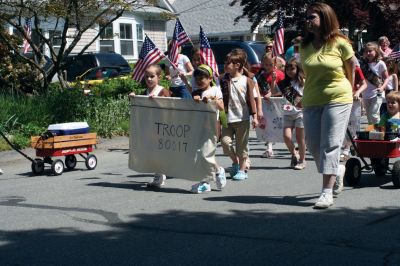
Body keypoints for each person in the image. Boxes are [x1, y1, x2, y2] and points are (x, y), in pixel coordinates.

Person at [300, 2, 358, 209]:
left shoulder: (340, 42)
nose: (308, 21)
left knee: (331, 144)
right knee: (315, 146)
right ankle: (337, 170)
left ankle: (326, 192)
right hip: (312, 99)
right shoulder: (304, 46)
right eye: (306, 17)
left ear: (324, 18)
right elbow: (307, 74)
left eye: (312, 17)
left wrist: (350, 91)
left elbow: (352, 68)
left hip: (338, 98)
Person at [129, 64, 171, 187]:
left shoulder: (162, 91)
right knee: (151, 152)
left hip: (162, 127)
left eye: (152, 76)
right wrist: (133, 98)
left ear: (159, 77)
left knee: (159, 152)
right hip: (149, 127)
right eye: (147, 77)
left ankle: (161, 175)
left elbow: (170, 107)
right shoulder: (144, 92)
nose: (149, 79)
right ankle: (158, 175)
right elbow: (139, 108)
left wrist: (158, 100)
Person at [220, 48, 258, 180]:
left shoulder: (246, 81)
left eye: (228, 63)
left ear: (237, 65)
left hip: (242, 119)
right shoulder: (223, 80)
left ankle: (242, 170)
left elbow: (252, 100)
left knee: (241, 147)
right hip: (227, 118)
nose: (225, 65)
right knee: (225, 142)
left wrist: (255, 116)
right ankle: (235, 162)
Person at [190, 64, 227, 193]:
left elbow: (221, 107)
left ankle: (205, 182)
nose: (200, 81)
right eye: (197, 78)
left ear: (210, 78)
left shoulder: (216, 90)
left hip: (212, 125)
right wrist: (195, 99)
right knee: (202, 154)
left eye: (203, 78)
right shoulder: (196, 92)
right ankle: (218, 170)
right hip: (199, 125)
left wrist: (212, 99)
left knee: (206, 153)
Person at [273, 58, 307, 170]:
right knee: (286, 137)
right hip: (288, 112)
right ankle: (294, 153)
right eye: (287, 68)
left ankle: (302, 160)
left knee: (299, 137)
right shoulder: (284, 83)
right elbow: (274, 92)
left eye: (292, 68)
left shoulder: (303, 81)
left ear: (298, 69)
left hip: (301, 112)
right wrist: (273, 81)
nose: (289, 71)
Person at [340, 58, 367, 162]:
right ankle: (347, 146)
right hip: (340, 100)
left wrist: (357, 92)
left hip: (354, 100)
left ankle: (346, 149)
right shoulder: (338, 69)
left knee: (353, 125)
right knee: (343, 125)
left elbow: (364, 84)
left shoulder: (356, 69)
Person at [259, 52, 285, 158]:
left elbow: (283, 90)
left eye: (270, 64)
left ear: (275, 64)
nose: (268, 67)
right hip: (266, 104)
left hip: (278, 104)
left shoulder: (280, 74)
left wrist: (271, 93)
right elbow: (260, 88)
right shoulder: (262, 76)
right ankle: (269, 148)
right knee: (268, 125)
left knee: (282, 125)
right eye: (266, 64)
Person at [360, 42, 390, 123]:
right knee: (369, 117)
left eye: (370, 51)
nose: (368, 53)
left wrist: (382, 87)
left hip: (377, 93)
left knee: (374, 115)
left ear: (376, 51)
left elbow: (387, 78)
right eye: (366, 51)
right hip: (365, 94)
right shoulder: (362, 64)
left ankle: (379, 133)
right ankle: (373, 134)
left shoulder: (380, 63)